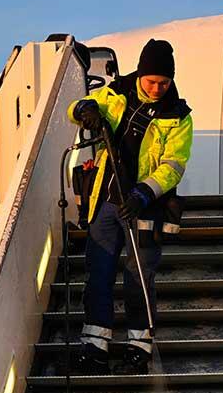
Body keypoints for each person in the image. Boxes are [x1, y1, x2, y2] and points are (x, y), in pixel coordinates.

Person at [67, 39, 193, 375]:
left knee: (139, 276)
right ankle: (95, 345)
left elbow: (173, 165)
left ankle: (139, 346)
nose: (157, 88)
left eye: (163, 83)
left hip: (145, 207)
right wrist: (85, 112)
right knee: (100, 273)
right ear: (140, 74)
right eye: (151, 81)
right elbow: (77, 106)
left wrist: (143, 194)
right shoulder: (116, 94)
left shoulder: (178, 116)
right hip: (106, 203)